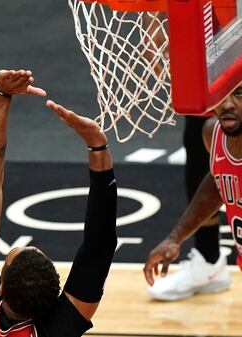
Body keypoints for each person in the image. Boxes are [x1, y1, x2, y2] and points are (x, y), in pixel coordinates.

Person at [0, 69, 117, 336]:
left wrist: (0, 96)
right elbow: (100, 246)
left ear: (0, 288)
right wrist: (97, 146)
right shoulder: (58, 328)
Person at [141, 11, 231, 301]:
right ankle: (208, 258)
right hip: (214, 17)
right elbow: (216, 178)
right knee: (203, 130)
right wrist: (151, 15)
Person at [144, 85, 242, 299]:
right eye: (221, 95)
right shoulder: (212, 133)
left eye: (239, 94)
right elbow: (220, 179)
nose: (227, 105)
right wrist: (175, 238)